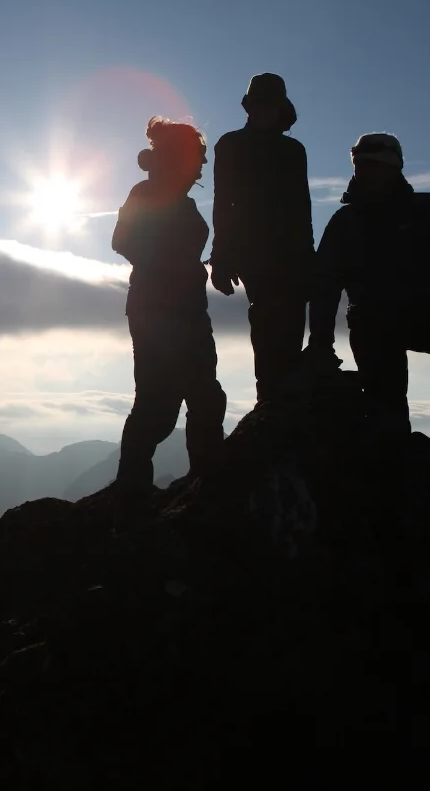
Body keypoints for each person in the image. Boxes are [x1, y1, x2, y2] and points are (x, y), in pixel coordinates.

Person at [305, 133, 430, 452]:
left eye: (374, 165)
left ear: (394, 168)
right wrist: (321, 345)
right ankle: (388, 443)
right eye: (361, 165)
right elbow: (324, 285)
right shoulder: (346, 222)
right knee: (389, 424)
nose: (365, 172)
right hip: (372, 326)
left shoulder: (426, 209)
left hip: (421, 315)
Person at [111, 117, 227, 491]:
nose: (201, 167)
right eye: (197, 158)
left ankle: (203, 479)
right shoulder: (146, 194)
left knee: (203, 396)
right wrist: (170, 265)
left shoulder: (179, 200)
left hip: (186, 309)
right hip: (157, 311)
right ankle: (132, 489)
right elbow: (123, 240)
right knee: (159, 405)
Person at [208, 73, 315, 403]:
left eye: (270, 104)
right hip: (253, 253)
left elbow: (302, 205)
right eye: (259, 104)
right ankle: (269, 398)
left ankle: (283, 398)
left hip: (293, 253)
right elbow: (223, 201)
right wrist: (221, 256)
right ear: (249, 107)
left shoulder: (294, 150)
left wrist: (308, 255)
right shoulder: (230, 145)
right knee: (268, 319)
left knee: (292, 323)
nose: (264, 111)